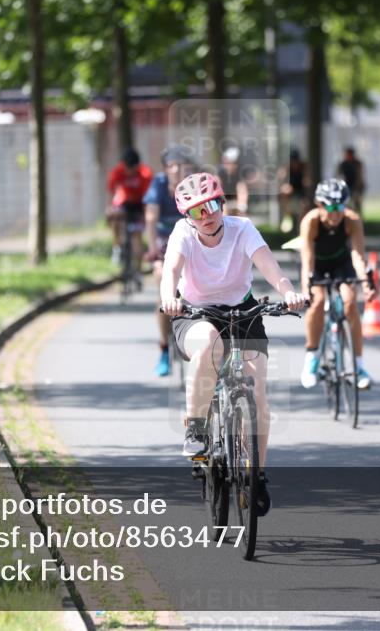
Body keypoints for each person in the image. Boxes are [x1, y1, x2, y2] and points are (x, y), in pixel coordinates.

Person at [161, 172, 307, 516]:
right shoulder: (183, 234)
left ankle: (257, 476)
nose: (206, 216)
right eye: (196, 211)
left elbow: (271, 269)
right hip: (195, 313)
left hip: (242, 312)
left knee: (258, 391)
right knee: (209, 344)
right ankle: (196, 429)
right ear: (187, 216)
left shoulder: (242, 229)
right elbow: (171, 271)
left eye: (211, 206)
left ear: (222, 203)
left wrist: (289, 293)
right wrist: (169, 297)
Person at [298, 179, 375, 390]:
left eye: (340, 207)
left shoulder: (352, 220)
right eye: (331, 208)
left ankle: (358, 367)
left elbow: (358, 256)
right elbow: (307, 260)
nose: (336, 213)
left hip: (341, 264)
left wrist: (366, 284)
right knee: (317, 301)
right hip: (316, 265)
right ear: (319, 205)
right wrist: (306, 290)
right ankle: (312, 358)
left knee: (350, 302)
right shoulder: (311, 221)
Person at [144, 145, 195, 377]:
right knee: (163, 286)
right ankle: (164, 347)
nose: (176, 170)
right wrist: (153, 251)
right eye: (171, 166)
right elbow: (151, 219)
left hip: (191, 239)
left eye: (180, 165)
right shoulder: (158, 184)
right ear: (165, 169)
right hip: (165, 241)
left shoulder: (194, 185)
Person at [107, 148, 153, 267]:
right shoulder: (117, 171)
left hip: (139, 203)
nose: (129, 172)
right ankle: (117, 247)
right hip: (123, 202)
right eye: (127, 168)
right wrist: (110, 208)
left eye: (132, 169)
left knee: (136, 235)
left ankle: (138, 267)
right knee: (114, 217)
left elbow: (148, 197)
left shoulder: (145, 173)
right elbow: (112, 190)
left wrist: (146, 215)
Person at [278, 148, 310, 233]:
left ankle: (301, 227)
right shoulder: (287, 168)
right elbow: (281, 179)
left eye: (295, 160)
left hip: (301, 193)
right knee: (285, 191)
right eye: (292, 160)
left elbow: (307, 183)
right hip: (291, 193)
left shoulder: (303, 167)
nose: (294, 163)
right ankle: (287, 216)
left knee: (305, 205)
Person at [217, 146, 249, 216]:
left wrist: (242, 208)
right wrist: (224, 208)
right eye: (225, 162)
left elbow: (242, 190)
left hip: (234, 197)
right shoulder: (220, 172)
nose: (227, 165)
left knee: (241, 211)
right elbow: (218, 192)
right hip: (223, 198)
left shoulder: (240, 172)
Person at [335, 146, 366, 212]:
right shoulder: (342, 164)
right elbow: (338, 176)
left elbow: (359, 177)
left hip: (356, 187)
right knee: (342, 203)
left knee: (356, 203)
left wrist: (358, 189)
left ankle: (356, 215)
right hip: (345, 186)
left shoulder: (357, 164)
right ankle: (342, 215)